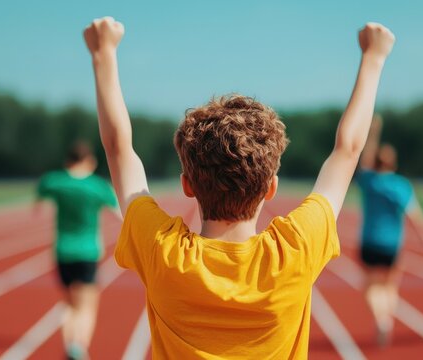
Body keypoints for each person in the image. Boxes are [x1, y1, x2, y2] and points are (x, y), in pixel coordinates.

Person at [83, 16, 395, 359]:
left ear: (187, 185)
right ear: (271, 188)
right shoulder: (295, 251)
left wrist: (104, 54)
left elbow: (117, 150)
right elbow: (347, 150)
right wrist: (373, 59)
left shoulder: (164, 254)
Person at [356, 115, 423, 346]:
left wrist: (373, 131)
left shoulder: (369, 181)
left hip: (370, 242)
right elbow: (414, 215)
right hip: (392, 245)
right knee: (390, 286)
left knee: (370, 286)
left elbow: (365, 160)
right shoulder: (401, 185)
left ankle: (381, 319)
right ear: (394, 163)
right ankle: (387, 318)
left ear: (377, 163)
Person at [35, 142, 119, 360]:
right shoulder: (97, 186)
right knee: (87, 305)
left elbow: (40, 195)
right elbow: (118, 213)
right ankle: (79, 347)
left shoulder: (55, 182)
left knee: (69, 304)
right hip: (88, 251)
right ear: (89, 161)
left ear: (67, 161)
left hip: (63, 250)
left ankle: (69, 345)